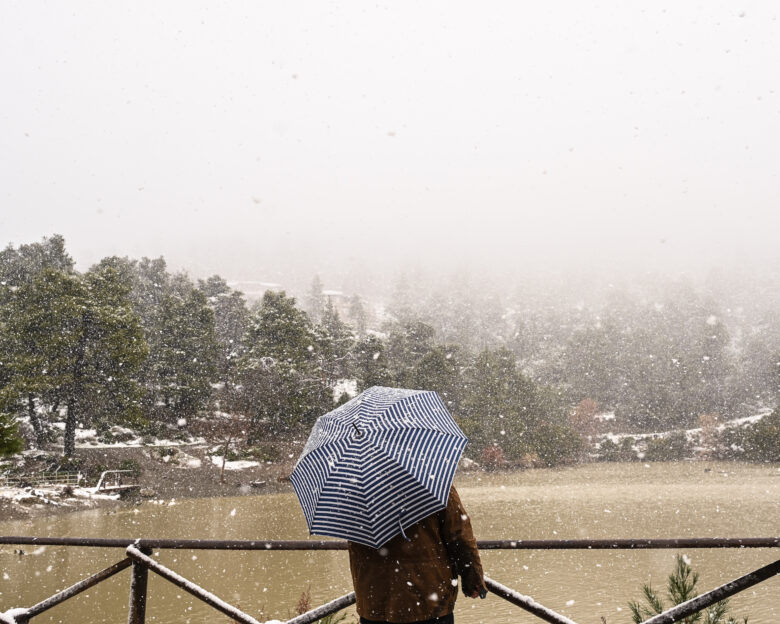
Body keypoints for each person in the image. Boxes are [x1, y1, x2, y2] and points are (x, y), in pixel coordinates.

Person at [347, 485, 487, 624]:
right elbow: (459, 536)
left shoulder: (354, 489)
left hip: (374, 600)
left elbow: (354, 543)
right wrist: (473, 580)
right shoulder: (434, 484)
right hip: (428, 599)